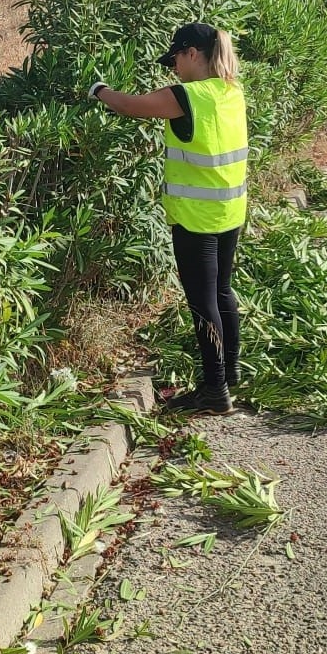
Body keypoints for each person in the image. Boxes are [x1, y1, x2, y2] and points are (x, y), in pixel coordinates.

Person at [89, 22, 248, 415]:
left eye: (175, 58)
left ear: (192, 53)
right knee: (223, 292)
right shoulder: (230, 92)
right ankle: (228, 376)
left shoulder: (186, 96)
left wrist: (97, 90)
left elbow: (127, 105)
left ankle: (214, 391)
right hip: (230, 211)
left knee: (202, 302)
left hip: (196, 218)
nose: (173, 67)